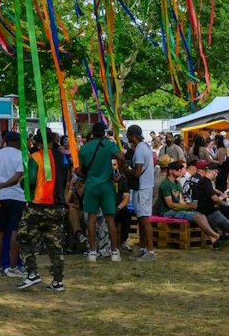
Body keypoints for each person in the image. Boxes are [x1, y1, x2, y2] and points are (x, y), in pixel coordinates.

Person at [18, 136, 69, 291]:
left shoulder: (36, 157)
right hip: (58, 206)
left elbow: (31, 180)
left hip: (38, 205)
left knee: (24, 237)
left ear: (38, 142)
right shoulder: (63, 158)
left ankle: (32, 272)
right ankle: (58, 280)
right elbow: (66, 178)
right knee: (55, 244)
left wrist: (23, 184)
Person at [75, 121, 124, 261]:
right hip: (106, 185)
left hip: (91, 186)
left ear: (92, 133)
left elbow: (78, 169)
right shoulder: (109, 145)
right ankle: (114, 252)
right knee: (110, 219)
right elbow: (121, 157)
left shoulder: (84, 148)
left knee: (91, 219)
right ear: (104, 133)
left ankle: (92, 252)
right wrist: (118, 172)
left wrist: (87, 176)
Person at [0, 130, 27, 275]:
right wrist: (4, 185)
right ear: (17, 142)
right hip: (17, 197)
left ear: (5, 141)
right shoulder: (21, 156)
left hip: (1, 198)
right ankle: (12, 267)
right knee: (15, 232)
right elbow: (18, 176)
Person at [154, 161, 222, 245]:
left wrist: (188, 206)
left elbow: (181, 200)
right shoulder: (165, 184)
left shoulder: (177, 183)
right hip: (167, 211)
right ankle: (217, 236)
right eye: (177, 169)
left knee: (201, 215)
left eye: (180, 169)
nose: (180, 170)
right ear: (170, 170)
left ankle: (213, 240)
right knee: (197, 216)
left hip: (176, 209)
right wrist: (187, 207)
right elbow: (170, 204)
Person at [124, 124, 157, 260]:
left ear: (133, 136)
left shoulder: (139, 150)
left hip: (142, 187)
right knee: (140, 218)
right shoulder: (145, 147)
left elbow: (137, 172)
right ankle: (143, 248)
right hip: (144, 187)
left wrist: (125, 170)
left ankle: (150, 251)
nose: (127, 138)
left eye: (128, 135)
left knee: (144, 219)